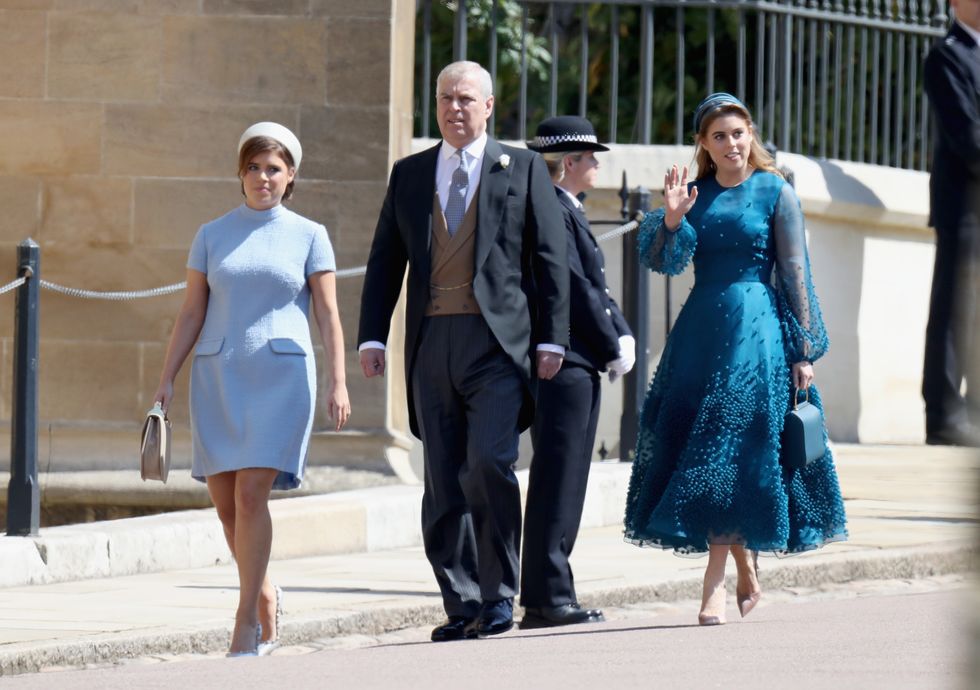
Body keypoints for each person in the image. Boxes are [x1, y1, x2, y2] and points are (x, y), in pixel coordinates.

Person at [357, 61, 569, 641]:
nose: (455, 107)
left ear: (489, 106)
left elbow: (550, 259)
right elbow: (385, 262)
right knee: (444, 478)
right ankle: (462, 600)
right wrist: (372, 335)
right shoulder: (409, 174)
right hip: (431, 343)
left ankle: (500, 596)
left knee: (489, 464)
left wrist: (553, 337)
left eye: (467, 98)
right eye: (446, 97)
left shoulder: (521, 167)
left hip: (497, 345)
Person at [623, 93, 847, 626]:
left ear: (752, 136)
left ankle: (712, 585)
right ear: (703, 143)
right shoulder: (693, 195)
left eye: (738, 134)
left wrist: (803, 349)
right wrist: (673, 220)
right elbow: (664, 260)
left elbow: (795, 272)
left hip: (760, 335)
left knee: (732, 451)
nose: (731, 144)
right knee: (708, 452)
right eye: (719, 136)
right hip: (700, 333)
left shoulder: (775, 190)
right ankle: (746, 570)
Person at [153, 122, 351, 656]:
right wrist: (167, 378)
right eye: (254, 167)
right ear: (240, 173)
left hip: (282, 379)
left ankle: (244, 622)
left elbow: (329, 315)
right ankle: (263, 593)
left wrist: (338, 379)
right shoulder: (211, 234)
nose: (263, 177)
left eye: (274, 169)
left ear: (291, 177)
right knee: (224, 508)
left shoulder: (310, 235)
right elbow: (192, 311)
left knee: (249, 494)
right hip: (218, 378)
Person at [520, 116, 634, 629]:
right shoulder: (553, 212)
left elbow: (593, 285)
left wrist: (619, 330)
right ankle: (548, 596)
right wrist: (614, 342)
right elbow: (573, 286)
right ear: (569, 163)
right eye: (590, 158)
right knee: (558, 479)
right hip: (566, 360)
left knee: (566, 478)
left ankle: (551, 590)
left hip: (576, 359)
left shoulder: (565, 208)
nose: (595, 166)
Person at [921, 0, 980, 447]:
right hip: (964, 206)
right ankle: (944, 414)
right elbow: (967, 135)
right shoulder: (946, 56)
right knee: (953, 309)